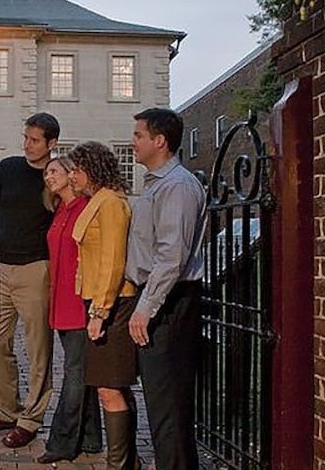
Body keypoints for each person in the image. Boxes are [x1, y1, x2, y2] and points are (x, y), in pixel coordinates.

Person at [125, 108, 206, 470]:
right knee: (161, 405)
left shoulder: (178, 186)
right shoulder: (157, 184)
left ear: (160, 141)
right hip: (158, 296)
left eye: (139, 135)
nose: (133, 141)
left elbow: (171, 256)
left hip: (170, 301)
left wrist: (146, 307)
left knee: (169, 406)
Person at [0, 112, 59, 449]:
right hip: (0, 270)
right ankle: (8, 410)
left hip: (36, 271)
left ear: (51, 144)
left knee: (38, 348)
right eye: (25, 137)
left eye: (35, 140)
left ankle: (30, 419)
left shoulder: (56, 177)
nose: (27, 145)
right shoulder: (8, 168)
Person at [67, 141, 139, 470]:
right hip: (99, 301)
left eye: (76, 170)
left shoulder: (110, 203)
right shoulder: (95, 201)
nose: (72, 177)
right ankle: (128, 462)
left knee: (109, 388)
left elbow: (113, 260)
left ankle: (118, 464)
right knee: (112, 386)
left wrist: (100, 311)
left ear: (93, 169)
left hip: (112, 304)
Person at [36, 155, 103, 464]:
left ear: (71, 174)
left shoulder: (86, 209)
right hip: (61, 301)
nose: (48, 177)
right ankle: (90, 438)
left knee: (74, 372)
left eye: (54, 171)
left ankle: (63, 441)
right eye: (46, 173)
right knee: (80, 369)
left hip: (79, 301)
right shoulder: (60, 210)